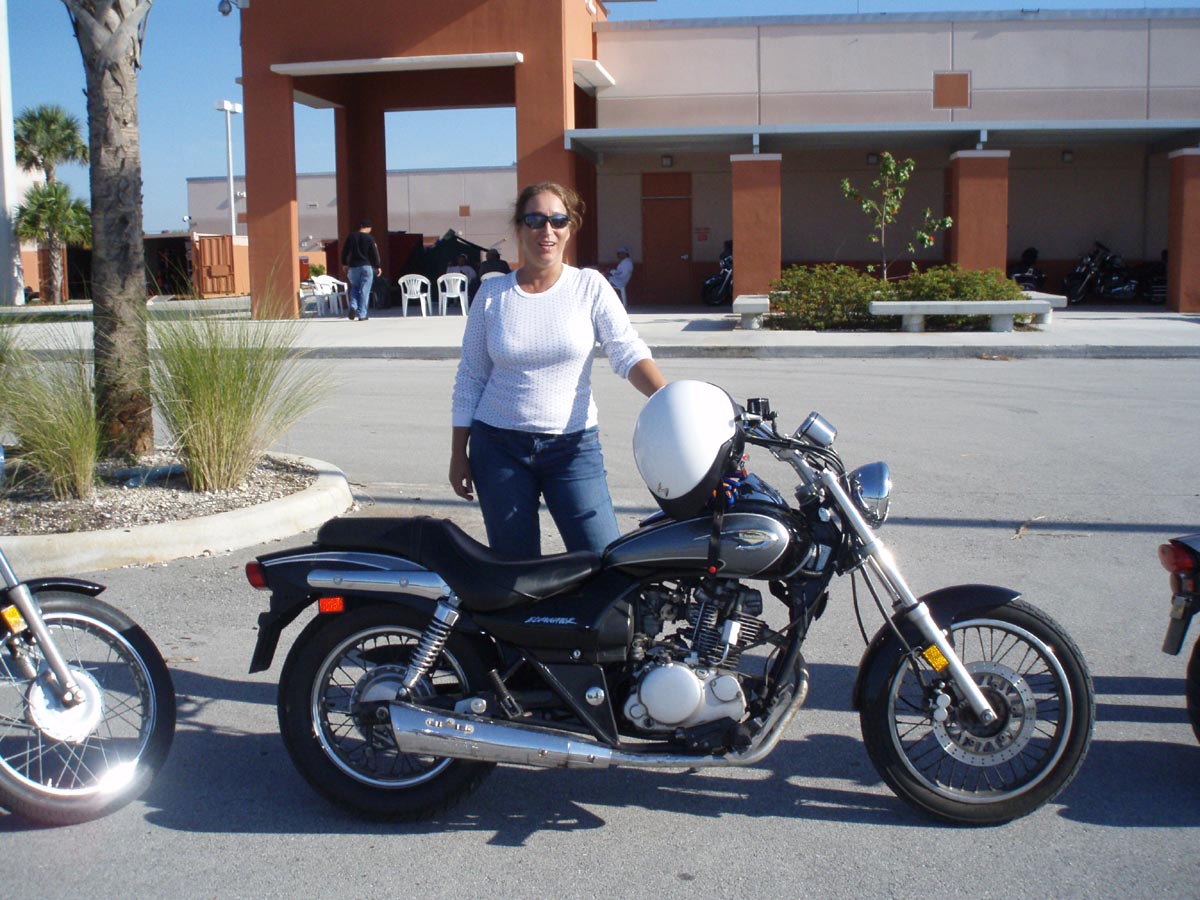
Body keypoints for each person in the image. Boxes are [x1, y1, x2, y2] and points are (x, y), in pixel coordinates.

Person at [449, 182, 668, 559]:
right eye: (534, 220)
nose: (546, 230)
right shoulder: (492, 295)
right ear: (519, 227)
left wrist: (669, 398)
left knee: (601, 560)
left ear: (570, 227)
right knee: (517, 570)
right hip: (498, 449)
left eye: (557, 220)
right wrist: (458, 453)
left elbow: (626, 350)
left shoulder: (590, 286)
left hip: (573, 448)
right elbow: (471, 377)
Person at [340, 219, 381, 321]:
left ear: (361, 226)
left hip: (353, 267)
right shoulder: (369, 238)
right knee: (364, 290)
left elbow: (345, 250)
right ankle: (362, 314)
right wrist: (378, 266)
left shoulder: (351, 236)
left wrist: (344, 263)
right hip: (366, 266)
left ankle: (353, 306)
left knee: (355, 287)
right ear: (370, 228)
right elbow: (374, 253)